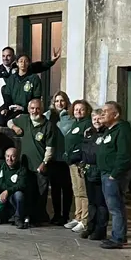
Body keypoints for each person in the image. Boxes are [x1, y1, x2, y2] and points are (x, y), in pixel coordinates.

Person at [8, 99, 56, 225]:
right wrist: (15, 128)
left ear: (42, 109)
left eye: (38, 108)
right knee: (27, 192)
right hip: (25, 166)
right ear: (29, 109)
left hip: (40, 166)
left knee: (41, 193)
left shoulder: (47, 125)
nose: (35, 111)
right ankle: (26, 216)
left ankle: (38, 218)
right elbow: (9, 121)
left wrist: (44, 162)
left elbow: (50, 148)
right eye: (32, 108)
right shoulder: (24, 119)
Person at [97, 101, 131, 249]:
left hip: (113, 175)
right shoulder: (109, 130)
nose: (102, 114)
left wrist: (114, 174)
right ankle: (118, 235)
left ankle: (118, 238)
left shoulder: (122, 130)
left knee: (115, 207)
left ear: (116, 114)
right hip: (106, 173)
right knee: (114, 206)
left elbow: (124, 154)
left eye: (106, 111)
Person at [73, 109, 108, 240]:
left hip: (100, 171)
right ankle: (90, 227)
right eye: (94, 119)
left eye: (99, 119)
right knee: (91, 202)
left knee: (101, 204)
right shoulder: (89, 134)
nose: (97, 121)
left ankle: (100, 230)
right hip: (89, 172)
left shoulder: (106, 134)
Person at [64, 99, 94, 233]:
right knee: (76, 191)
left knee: (83, 192)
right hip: (72, 163)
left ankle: (84, 220)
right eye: (76, 109)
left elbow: (85, 143)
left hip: (80, 162)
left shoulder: (87, 124)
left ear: (87, 111)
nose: (78, 111)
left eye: (81, 109)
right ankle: (78, 216)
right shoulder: (74, 124)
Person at [0, 147, 30, 229]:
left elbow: (22, 184)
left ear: (18, 157)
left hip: (12, 197)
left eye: (13, 156)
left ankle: (18, 218)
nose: (10, 159)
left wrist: (8, 191)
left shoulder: (22, 169)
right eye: (7, 156)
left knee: (19, 195)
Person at [46, 90, 74, 226]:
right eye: (57, 101)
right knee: (55, 189)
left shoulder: (71, 117)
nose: (59, 103)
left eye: (62, 100)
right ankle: (56, 214)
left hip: (65, 159)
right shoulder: (48, 116)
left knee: (67, 188)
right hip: (53, 158)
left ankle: (65, 215)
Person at [0, 55, 43, 128]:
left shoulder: (34, 78)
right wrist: (6, 108)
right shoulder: (12, 78)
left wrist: (24, 108)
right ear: (17, 63)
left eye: (26, 61)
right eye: (21, 61)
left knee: (11, 121)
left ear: (29, 63)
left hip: (25, 109)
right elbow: (7, 94)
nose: (23, 63)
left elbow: (36, 97)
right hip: (12, 107)